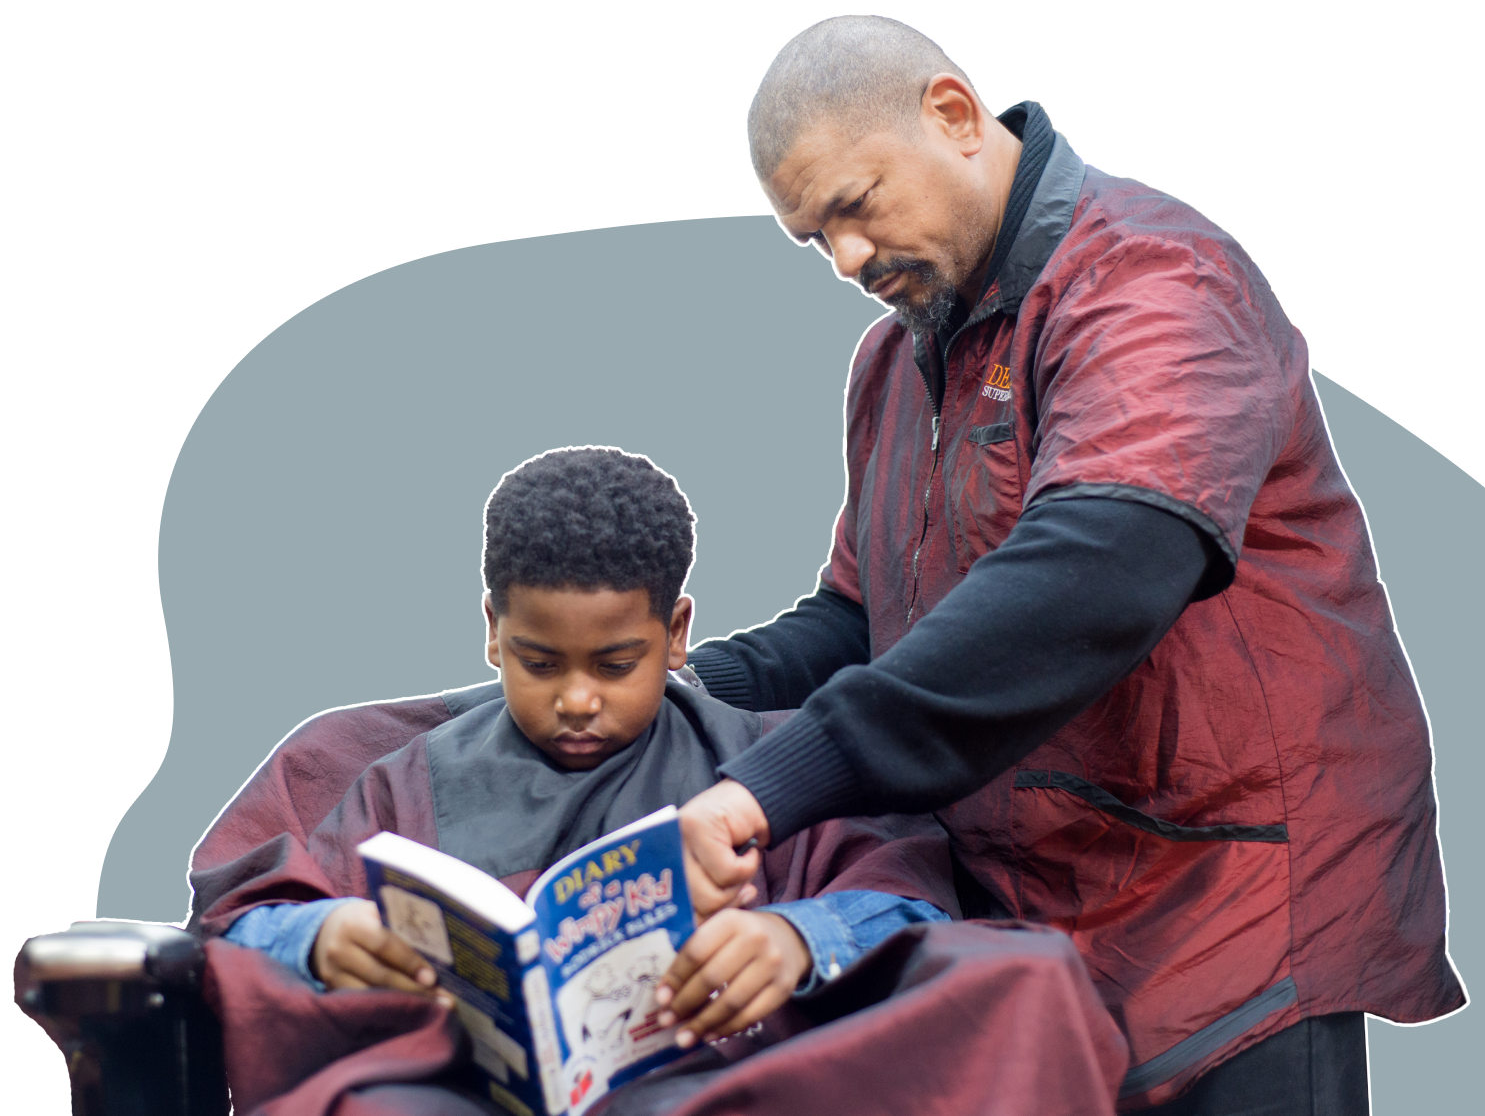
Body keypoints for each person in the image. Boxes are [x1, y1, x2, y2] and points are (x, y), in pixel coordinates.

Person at [671, 12, 1466, 1114]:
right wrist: (674, 696)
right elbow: (862, 619)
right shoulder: (892, 363)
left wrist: (771, 784)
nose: (847, 261)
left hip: (1227, 901)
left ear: (952, 114)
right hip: (1030, 910)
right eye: (816, 242)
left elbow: (1101, 569)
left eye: (853, 208)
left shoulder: (1154, 277)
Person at [192, 446, 960, 1101]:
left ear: (677, 633)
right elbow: (231, 926)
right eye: (540, 663)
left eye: (617, 664)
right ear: (494, 631)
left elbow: (914, 907)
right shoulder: (392, 782)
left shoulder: (768, 770)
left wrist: (798, 936)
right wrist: (318, 934)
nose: (578, 699)